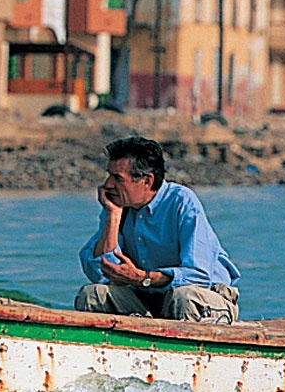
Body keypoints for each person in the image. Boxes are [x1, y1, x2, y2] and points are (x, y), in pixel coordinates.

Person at [76, 136, 241, 323]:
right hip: (146, 299)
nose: (107, 185)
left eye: (118, 179)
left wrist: (143, 278)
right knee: (92, 295)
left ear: (147, 181)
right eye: (109, 176)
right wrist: (112, 216)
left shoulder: (182, 201)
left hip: (203, 298)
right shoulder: (118, 205)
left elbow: (198, 276)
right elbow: (101, 272)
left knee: (184, 298)